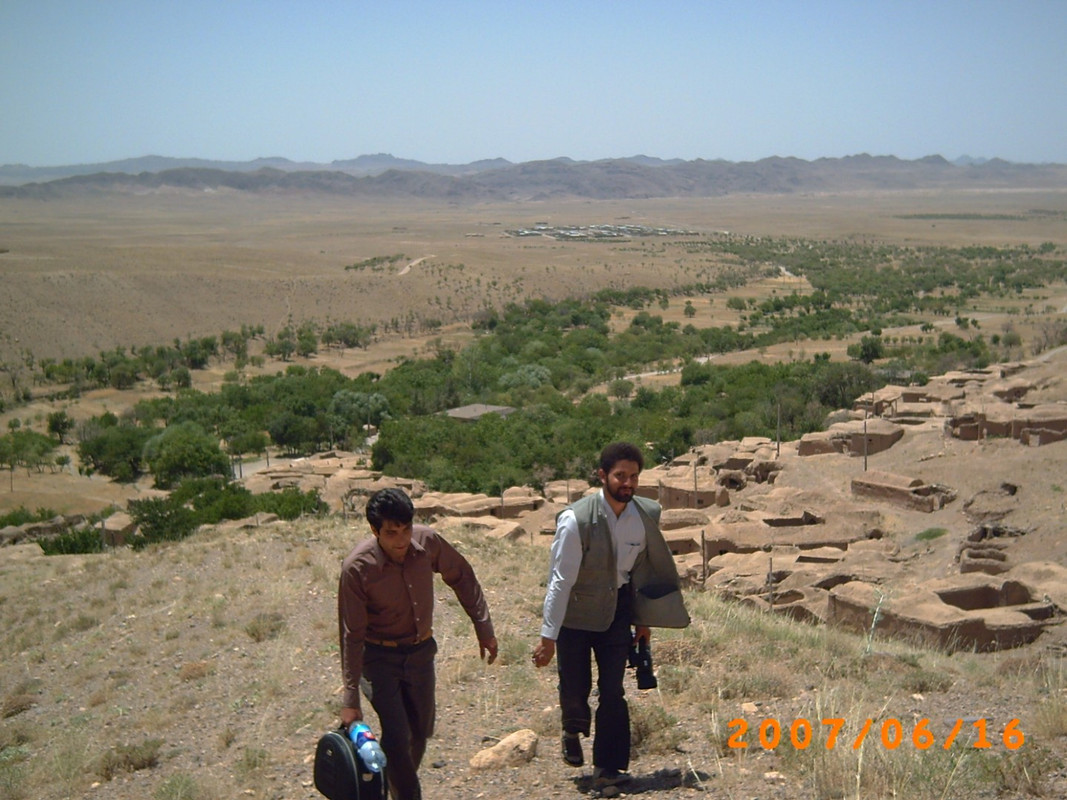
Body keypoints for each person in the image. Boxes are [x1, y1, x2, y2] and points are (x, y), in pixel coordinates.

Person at [532, 442, 689, 789]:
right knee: (575, 688)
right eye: (620, 475)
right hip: (576, 613)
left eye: (633, 476)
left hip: (616, 612)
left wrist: (643, 621)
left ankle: (609, 766)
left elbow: (640, 576)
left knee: (613, 691)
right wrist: (548, 637)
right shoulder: (577, 520)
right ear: (603, 476)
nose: (627, 483)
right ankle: (572, 728)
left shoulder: (642, 520)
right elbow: (560, 581)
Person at [338, 487, 498, 800]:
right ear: (374, 531)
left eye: (406, 529)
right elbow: (351, 635)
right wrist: (350, 697)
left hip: (421, 653)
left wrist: (483, 626)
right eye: (392, 532)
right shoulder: (357, 569)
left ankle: (387, 785)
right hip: (378, 659)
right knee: (398, 735)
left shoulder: (428, 543)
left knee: (420, 732)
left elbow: (462, 575)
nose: (401, 540)